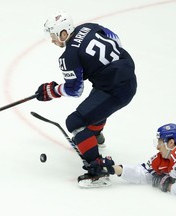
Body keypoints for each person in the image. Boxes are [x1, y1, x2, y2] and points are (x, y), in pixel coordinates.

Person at [35, 11, 137, 187]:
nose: (52, 40)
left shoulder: (68, 56)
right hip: (127, 76)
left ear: (63, 33)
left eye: (53, 36)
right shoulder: (89, 27)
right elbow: (116, 39)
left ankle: (97, 170)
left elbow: (75, 90)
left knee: (74, 123)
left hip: (114, 90)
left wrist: (51, 91)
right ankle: (95, 136)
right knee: (95, 105)